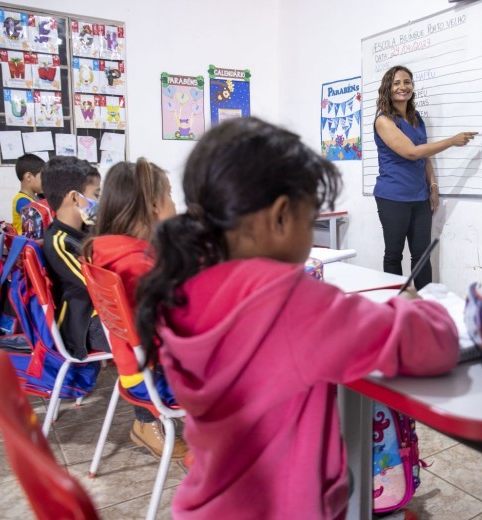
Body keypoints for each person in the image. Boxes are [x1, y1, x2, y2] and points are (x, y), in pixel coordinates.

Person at [135, 117, 459, 519]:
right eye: (312, 220)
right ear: (282, 215)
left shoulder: (180, 285)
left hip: (208, 503)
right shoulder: (290, 304)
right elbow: (432, 345)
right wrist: (414, 304)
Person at [82, 159, 189, 461]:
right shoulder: (136, 265)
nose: (174, 203)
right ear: (154, 205)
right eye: (169, 194)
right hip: (158, 379)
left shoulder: (107, 250)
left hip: (133, 372)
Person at [373, 65, 476, 289]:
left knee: (421, 255)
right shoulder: (384, 121)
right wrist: (451, 141)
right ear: (387, 89)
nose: (403, 87)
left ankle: (424, 304)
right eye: (397, 83)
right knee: (394, 255)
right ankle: (397, 305)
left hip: (419, 197)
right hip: (393, 197)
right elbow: (412, 152)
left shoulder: (415, 117)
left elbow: (425, 154)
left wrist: (433, 186)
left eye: (407, 82)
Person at [40, 156, 107, 359]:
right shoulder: (59, 242)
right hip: (86, 324)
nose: (100, 201)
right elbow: (97, 285)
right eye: (96, 194)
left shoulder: (87, 230)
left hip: (103, 314)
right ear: (75, 198)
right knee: (156, 334)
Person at [11, 153, 46, 234]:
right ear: (28, 177)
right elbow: (38, 221)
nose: (45, 181)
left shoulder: (38, 197)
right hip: (27, 244)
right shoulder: (22, 201)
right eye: (43, 177)